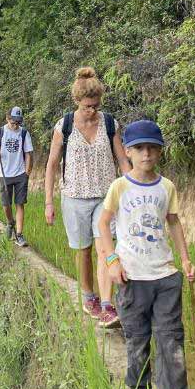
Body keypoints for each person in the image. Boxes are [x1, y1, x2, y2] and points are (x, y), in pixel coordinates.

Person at [97, 119, 195, 389]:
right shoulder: (120, 187)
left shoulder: (166, 187)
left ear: (160, 152)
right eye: (139, 148)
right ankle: (140, 388)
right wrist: (111, 260)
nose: (146, 154)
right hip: (131, 279)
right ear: (128, 151)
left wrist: (185, 259)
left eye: (153, 148)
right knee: (138, 340)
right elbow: (103, 225)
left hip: (165, 276)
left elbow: (174, 223)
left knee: (171, 342)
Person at [44, 67, 130, 327]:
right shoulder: (65, 126)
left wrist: (133, 187)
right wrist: (49, 201)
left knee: (106, 249)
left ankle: (106, 305)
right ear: (77, 102)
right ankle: (88, 297)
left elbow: (123, 160)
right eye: (87, 106)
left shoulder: (110, 123)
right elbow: (51, 164)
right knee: (84, 252)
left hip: (106, 197)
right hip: (75, 198)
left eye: (95, 105)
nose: (92, 110)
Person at [0, 106, 34, 247]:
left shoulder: (24, 133)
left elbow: (28, 154)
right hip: (4, 173)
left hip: (20, 173)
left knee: (20, 204)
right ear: (7, 119)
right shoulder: (0, 132)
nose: (16, 125)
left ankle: (19, 234)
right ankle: (10, 222)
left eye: (18, 122)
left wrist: (27, 173)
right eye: (13, 122)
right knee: (6, 204)